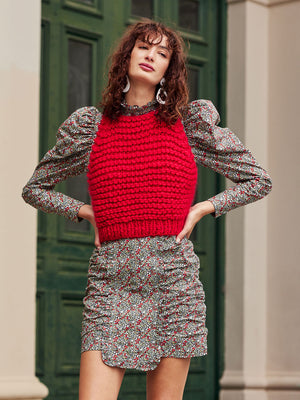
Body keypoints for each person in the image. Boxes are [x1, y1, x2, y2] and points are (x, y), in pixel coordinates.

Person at [22, 19, 272, 400]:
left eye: (162, 53)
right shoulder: (91, 127)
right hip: (111, 281)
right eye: (144, 47)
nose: (151, 56)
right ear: (127, 55)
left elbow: (258, 179)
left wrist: (204, 208)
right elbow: (35, 189)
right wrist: (85, 211)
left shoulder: (189, 124)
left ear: (169, 70)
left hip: (173, 279)